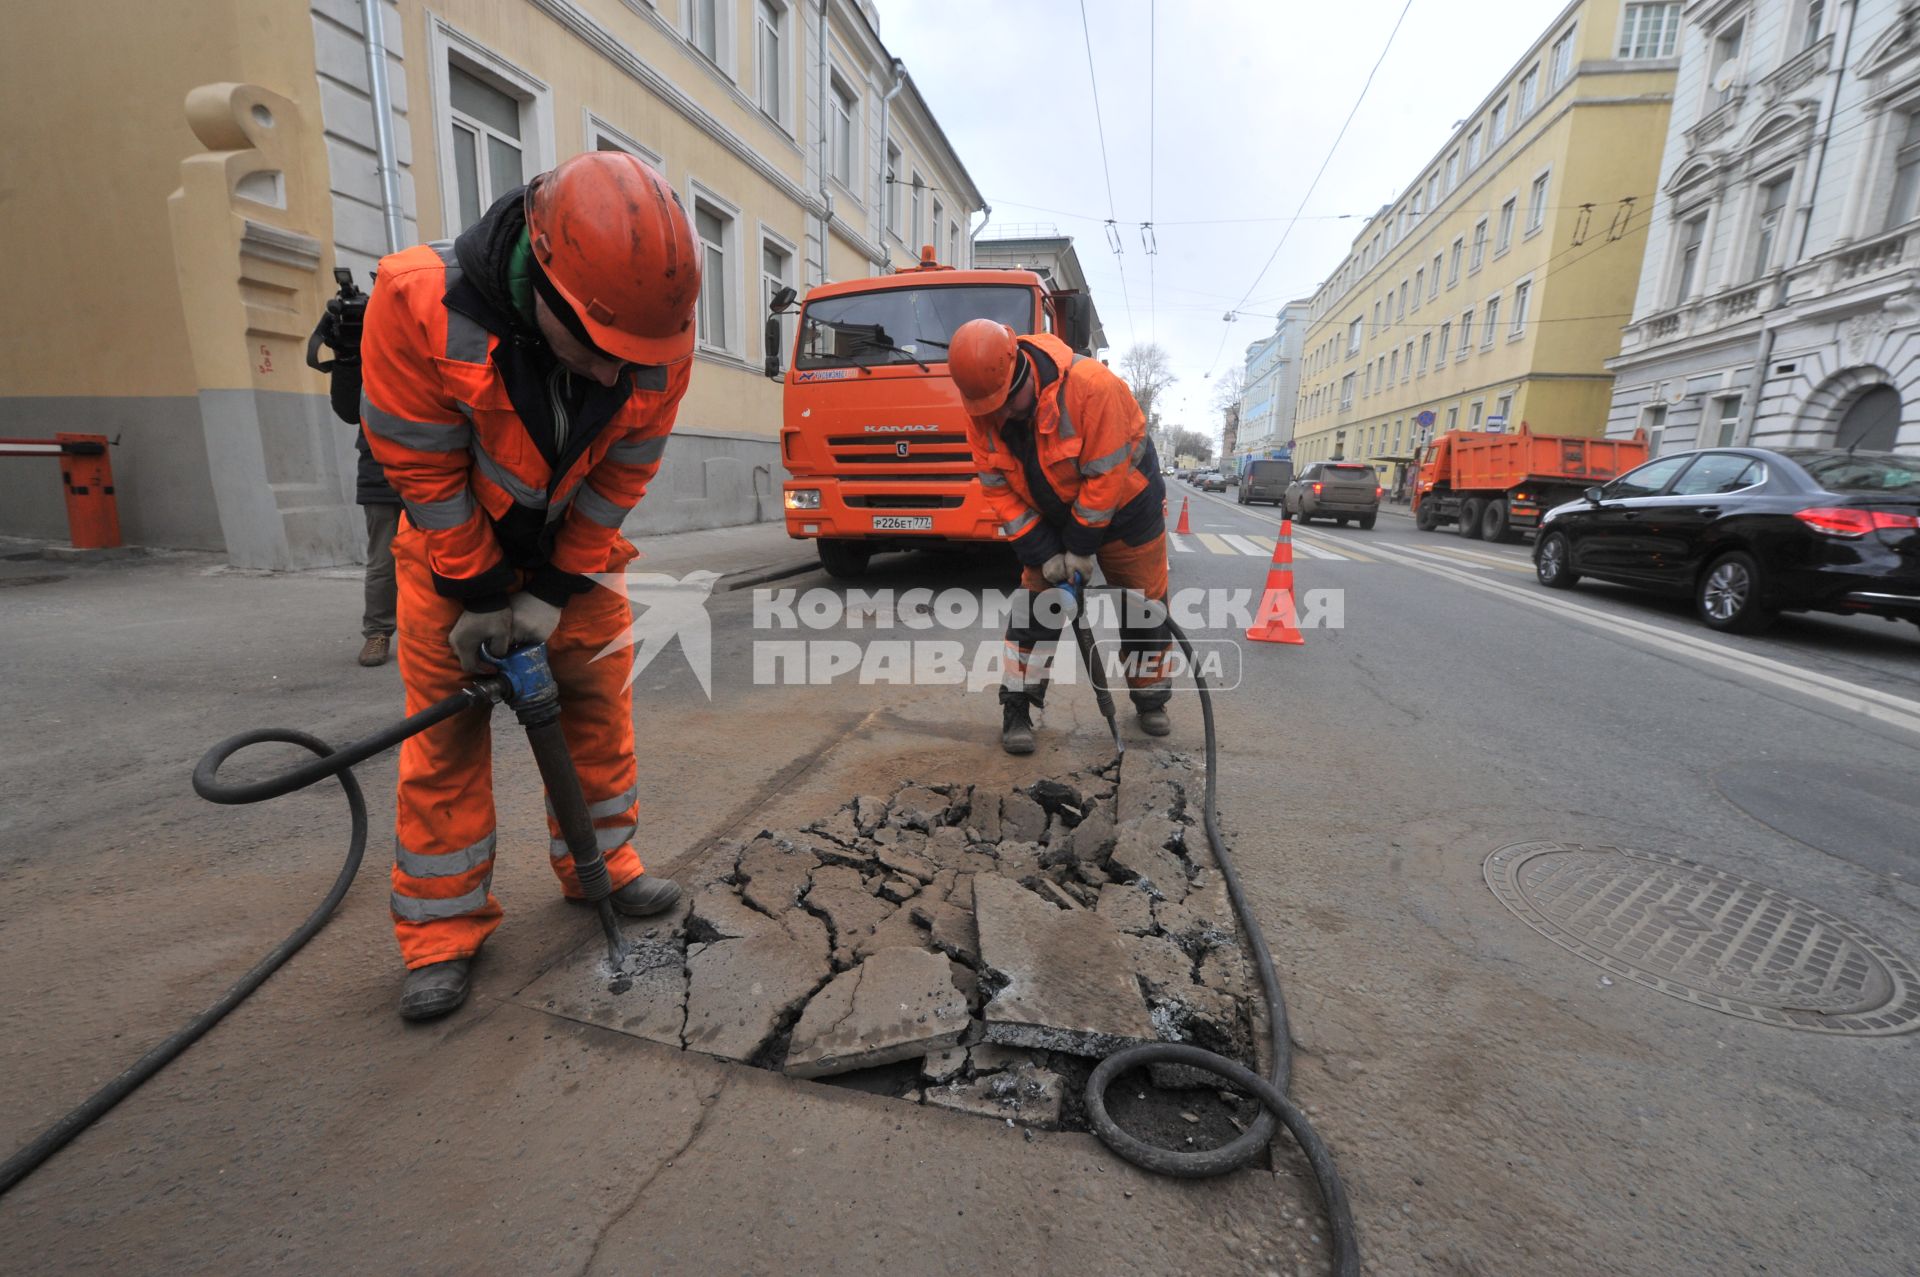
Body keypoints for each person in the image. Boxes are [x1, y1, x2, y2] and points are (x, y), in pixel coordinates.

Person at [359, 151, 701, 1021]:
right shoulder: (415, 302)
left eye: (630, 358)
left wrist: (552, 586)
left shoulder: (656, 335)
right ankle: (443, 932)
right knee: (446, 744)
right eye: (594, 348)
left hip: (572, 556)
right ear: (543, 280)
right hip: (449, 554)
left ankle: (605, 872)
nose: (610, 374)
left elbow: (622, 475)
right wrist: (479, 594)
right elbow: (422, 471)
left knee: (594, 711)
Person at [947, 319, 1175, 755]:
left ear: (1021, 371)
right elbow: (998, 491)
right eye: (987, 408)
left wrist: (1080, 549)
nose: (1000, 415)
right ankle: (1018, 707)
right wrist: (1044, 552)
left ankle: (1150, 697)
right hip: (1048, 510)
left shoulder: (1093, 388)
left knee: (1143, 604)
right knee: (1035, 607)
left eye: (1007, 403)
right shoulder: (982, 408)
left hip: (1127, 505)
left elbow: (1104, 480)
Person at [354, 428, 401, 665]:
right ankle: (378, 633)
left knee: (445, 558)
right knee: (383, 563)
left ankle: (447, 633)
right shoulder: (367, 389)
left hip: (438, 472)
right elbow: (347, 409)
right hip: (381, 477)